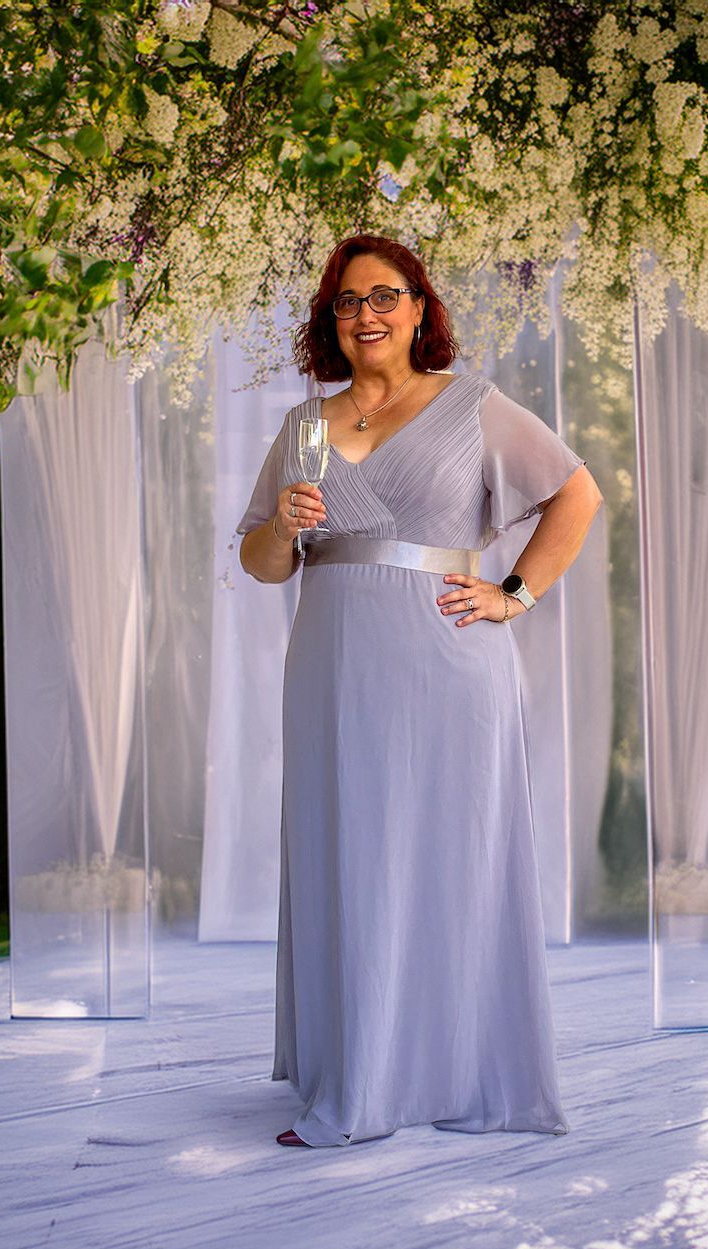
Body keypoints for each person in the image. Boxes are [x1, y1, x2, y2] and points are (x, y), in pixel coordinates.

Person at [235, 233, 604, 1148]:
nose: (367, 313)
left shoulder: (471, 405)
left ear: (418, 308)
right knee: (348, 852)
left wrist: (513, 593)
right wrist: (282, 523)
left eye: (385, 295)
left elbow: (577, 493)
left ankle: (455, 1069)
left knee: (450, 855)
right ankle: (357, 1077)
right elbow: (260, 563)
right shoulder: (303, 428)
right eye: (349, 300)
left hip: (448, 664)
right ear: (331, 318)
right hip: (332, 665)